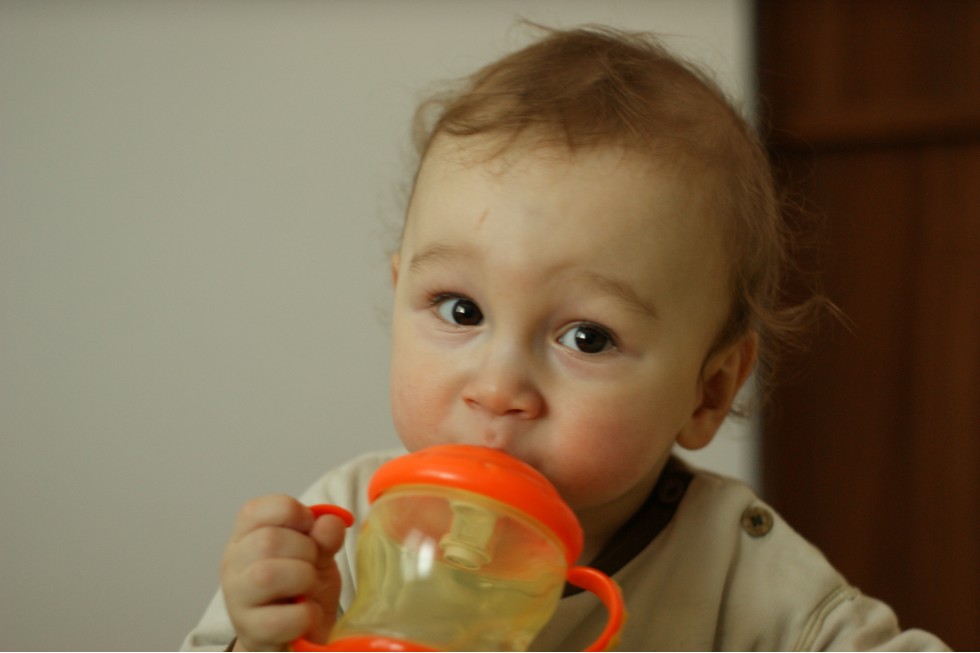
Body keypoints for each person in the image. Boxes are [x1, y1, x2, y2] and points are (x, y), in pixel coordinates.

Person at [182, 25, 948, 651]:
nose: (497, 388)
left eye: (586, 336)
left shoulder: (737, 573)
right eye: (460, 310)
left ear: (708, 391)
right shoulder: (339, 530)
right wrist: (265, 634)